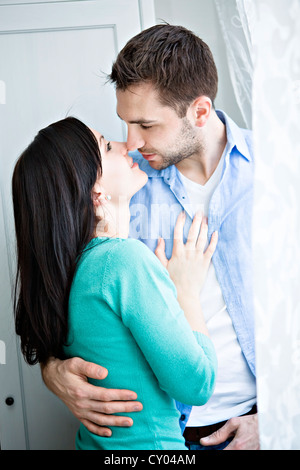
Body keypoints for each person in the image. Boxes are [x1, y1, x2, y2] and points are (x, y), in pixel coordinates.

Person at [41, 24, 259, 450]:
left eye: (145, 125)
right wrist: (54, 370)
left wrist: (282, 420)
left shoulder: (281, 173)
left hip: (261, 423)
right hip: (161, 435)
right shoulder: (124, 190)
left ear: (199, 111)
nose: (131, 143)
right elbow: (69, 302)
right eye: (125, 124)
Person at [12, 116, 218, 450]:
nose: (128, 147)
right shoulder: (124, 262)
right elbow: (197, 383)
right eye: (108, 146)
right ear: (96, 191)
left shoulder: (70, 272)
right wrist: (186, 292)